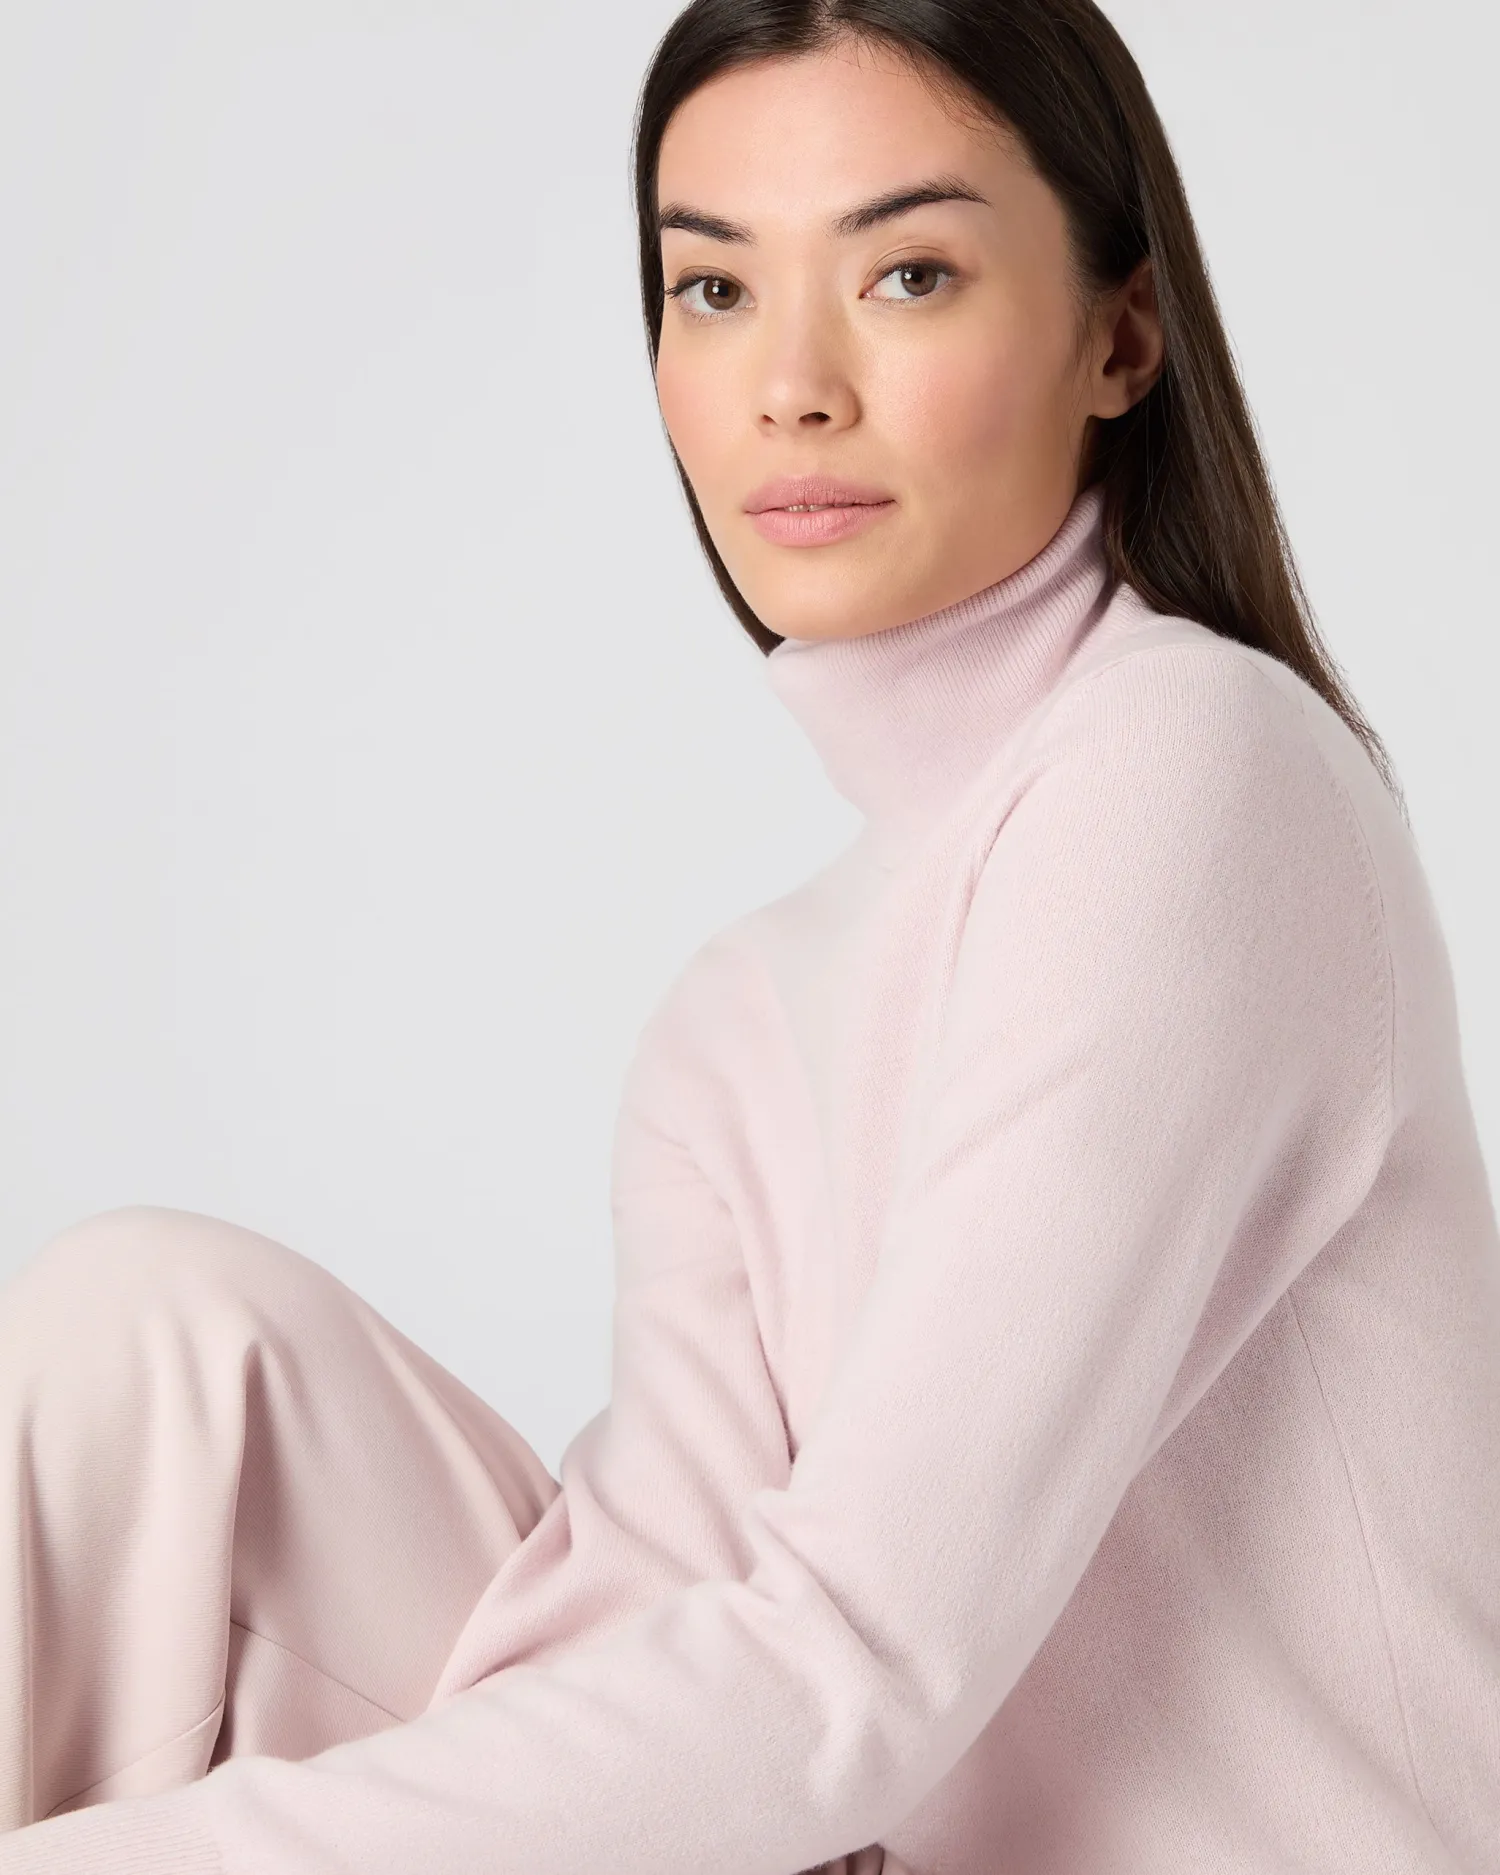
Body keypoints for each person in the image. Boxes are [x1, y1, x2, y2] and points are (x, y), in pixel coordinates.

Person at [1, 1, 1496, 1870]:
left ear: (1121, 337)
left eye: (908, 274)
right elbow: (646, 1661)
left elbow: (852, 1668)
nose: (791, 385)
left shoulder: (1195, 768)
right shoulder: (738, 1018)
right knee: (156, 1334)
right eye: (713, 289)